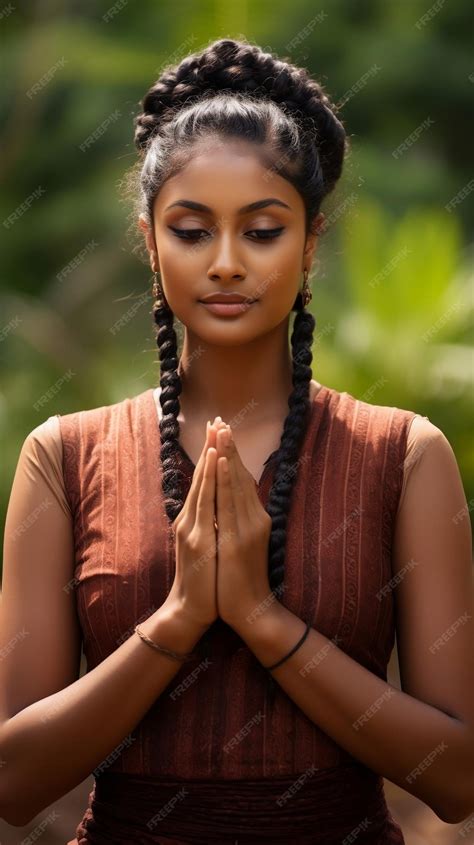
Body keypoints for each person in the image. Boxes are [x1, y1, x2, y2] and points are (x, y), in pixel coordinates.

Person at [1, 37, 472, 845]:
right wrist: (181, 616)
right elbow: (14, 783)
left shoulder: (405, 455)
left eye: (261, 232)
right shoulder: (63, 456)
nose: (225, 264)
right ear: (150, 243)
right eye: (191, 231)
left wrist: (262, 618)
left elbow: (456, 779)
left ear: (311, 243)